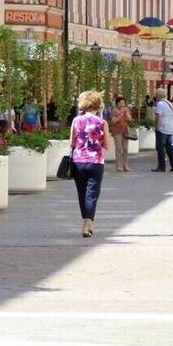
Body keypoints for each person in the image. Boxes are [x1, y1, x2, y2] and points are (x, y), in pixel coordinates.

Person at [70, 90, 109, 238]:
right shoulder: (102, 123)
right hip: (95, 162)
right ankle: (87, 224)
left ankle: (88, 223)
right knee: (92, 194)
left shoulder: (76, 120)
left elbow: (72, 142)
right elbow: (107, 145)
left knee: (82, 193)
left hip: (78, 161)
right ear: (98, 105)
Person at [152, 88, 173, 172]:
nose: (155, 96)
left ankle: (161, 166)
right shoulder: (169, 103)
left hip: (162, 128)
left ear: (159, 95)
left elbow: (158, 116)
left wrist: (157, 127)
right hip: (169, 128)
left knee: (160, 148)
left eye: (156, 95)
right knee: (169, 148)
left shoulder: (160, 104)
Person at [109, 96, 132, 172]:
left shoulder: (126, 110)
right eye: (121, 103)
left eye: (123, 103)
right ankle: (119, 165)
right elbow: (114, 121)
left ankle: (125, 165)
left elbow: (130, 119)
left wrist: (127, 114)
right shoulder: (113, 111)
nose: (123, 104)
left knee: (125, 148)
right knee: (119, 148)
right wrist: (121, 115)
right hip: (117, 132)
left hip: (125, 131)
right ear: (117, 103)